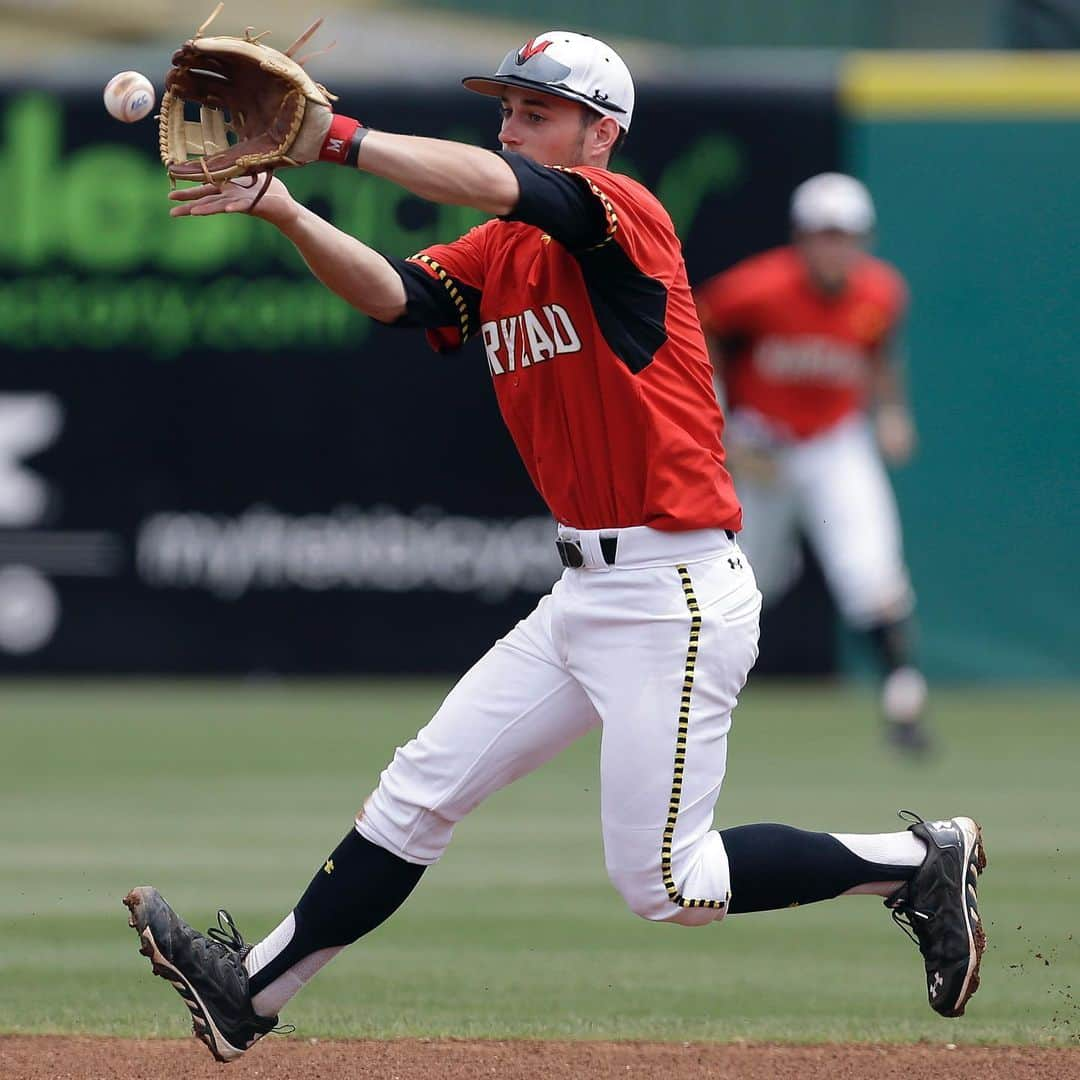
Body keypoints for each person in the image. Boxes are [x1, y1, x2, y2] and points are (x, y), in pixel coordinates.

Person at [123, 34, 986, 1063]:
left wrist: (337, 139)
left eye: (537, 109)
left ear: (601, 132)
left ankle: (916, 861)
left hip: (675, 591)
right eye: (509, 106)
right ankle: (249, 994)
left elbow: (509, 183)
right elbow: (397, 297)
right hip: (581, 595)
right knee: (417, 792)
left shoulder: (623, 217)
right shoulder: (504, 249)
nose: (512, 122)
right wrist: (284, 208)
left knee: (667, 887)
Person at [694, 174, 931, 753]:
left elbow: (881, 354)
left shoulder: (881, 292)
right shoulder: (755, 289)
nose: (835, 247)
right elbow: (695, 337)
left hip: (834, 443)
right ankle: (691, 703)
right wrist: (723, 430)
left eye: (847, 235)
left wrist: (892, 412)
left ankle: (904, 703)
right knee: (739, 583)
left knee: (871, 568)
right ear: (801, 237)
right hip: (763, 448)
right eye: (824, 234)